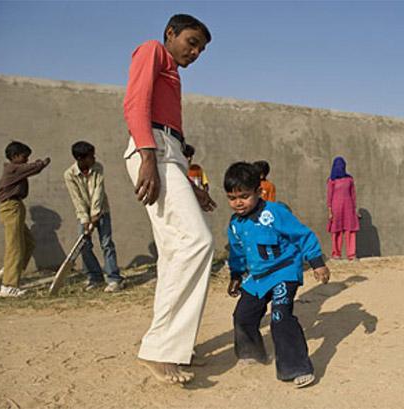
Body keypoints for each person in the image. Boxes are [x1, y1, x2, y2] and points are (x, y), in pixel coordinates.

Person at [122, 13, 216, 384]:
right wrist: (147, 154)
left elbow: (173, 141)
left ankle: (170, 348)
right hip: (153, 150)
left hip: (168, 151)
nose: (195, 53)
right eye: (191, 42)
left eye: (201, 49)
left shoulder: (173, 74)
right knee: (197, 242)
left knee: (177, 252)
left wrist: (190, 185)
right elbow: (134, 103)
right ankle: (161, 348)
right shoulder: (152, 51)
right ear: (170, 34)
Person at [224, 162, 330, 388]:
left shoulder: (275, 213)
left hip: (284, 271)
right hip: (257, 277)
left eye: (244, 196)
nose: (238, 203)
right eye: (232, 198)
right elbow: (237, 252)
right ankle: (252, 352)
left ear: (258, 192)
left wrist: (317, 263)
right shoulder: (234, 224)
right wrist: (235, 275)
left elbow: (303, 235)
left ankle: (297, 367)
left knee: (280, 317)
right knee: (242, 315)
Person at [64, 141, 124, 292]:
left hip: (102, 211)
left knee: (107, 244)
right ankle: (95, 277)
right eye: (90, 156)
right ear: (80, 158)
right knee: (84, 246)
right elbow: (76, 198)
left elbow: (99, 191)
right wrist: (85, 219)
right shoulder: (69, 175)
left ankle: (114, 279)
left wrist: (95, 213)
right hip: (83, 215)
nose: (94, 158)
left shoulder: (98, 168)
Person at [0, 141, 50, 297]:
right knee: (15, 246)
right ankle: (8, 286)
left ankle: (10, 270)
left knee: (28, 243)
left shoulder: (15, 169)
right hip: (11, 208)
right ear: (14, 157)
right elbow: (34, 168)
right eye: (24, 157)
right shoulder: (13, 168)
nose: (27, 160)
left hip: (16, 207)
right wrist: (43, 162)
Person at [326, 157, 360, 261]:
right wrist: (330, 211)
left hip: (349, 208)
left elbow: (353, 194)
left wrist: (355, 209)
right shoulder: (332, 180)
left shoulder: (349, 179)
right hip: (336, 208)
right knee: (336, 231)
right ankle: (336, 254)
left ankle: (351, 254)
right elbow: (329, 196)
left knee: (350, 230)